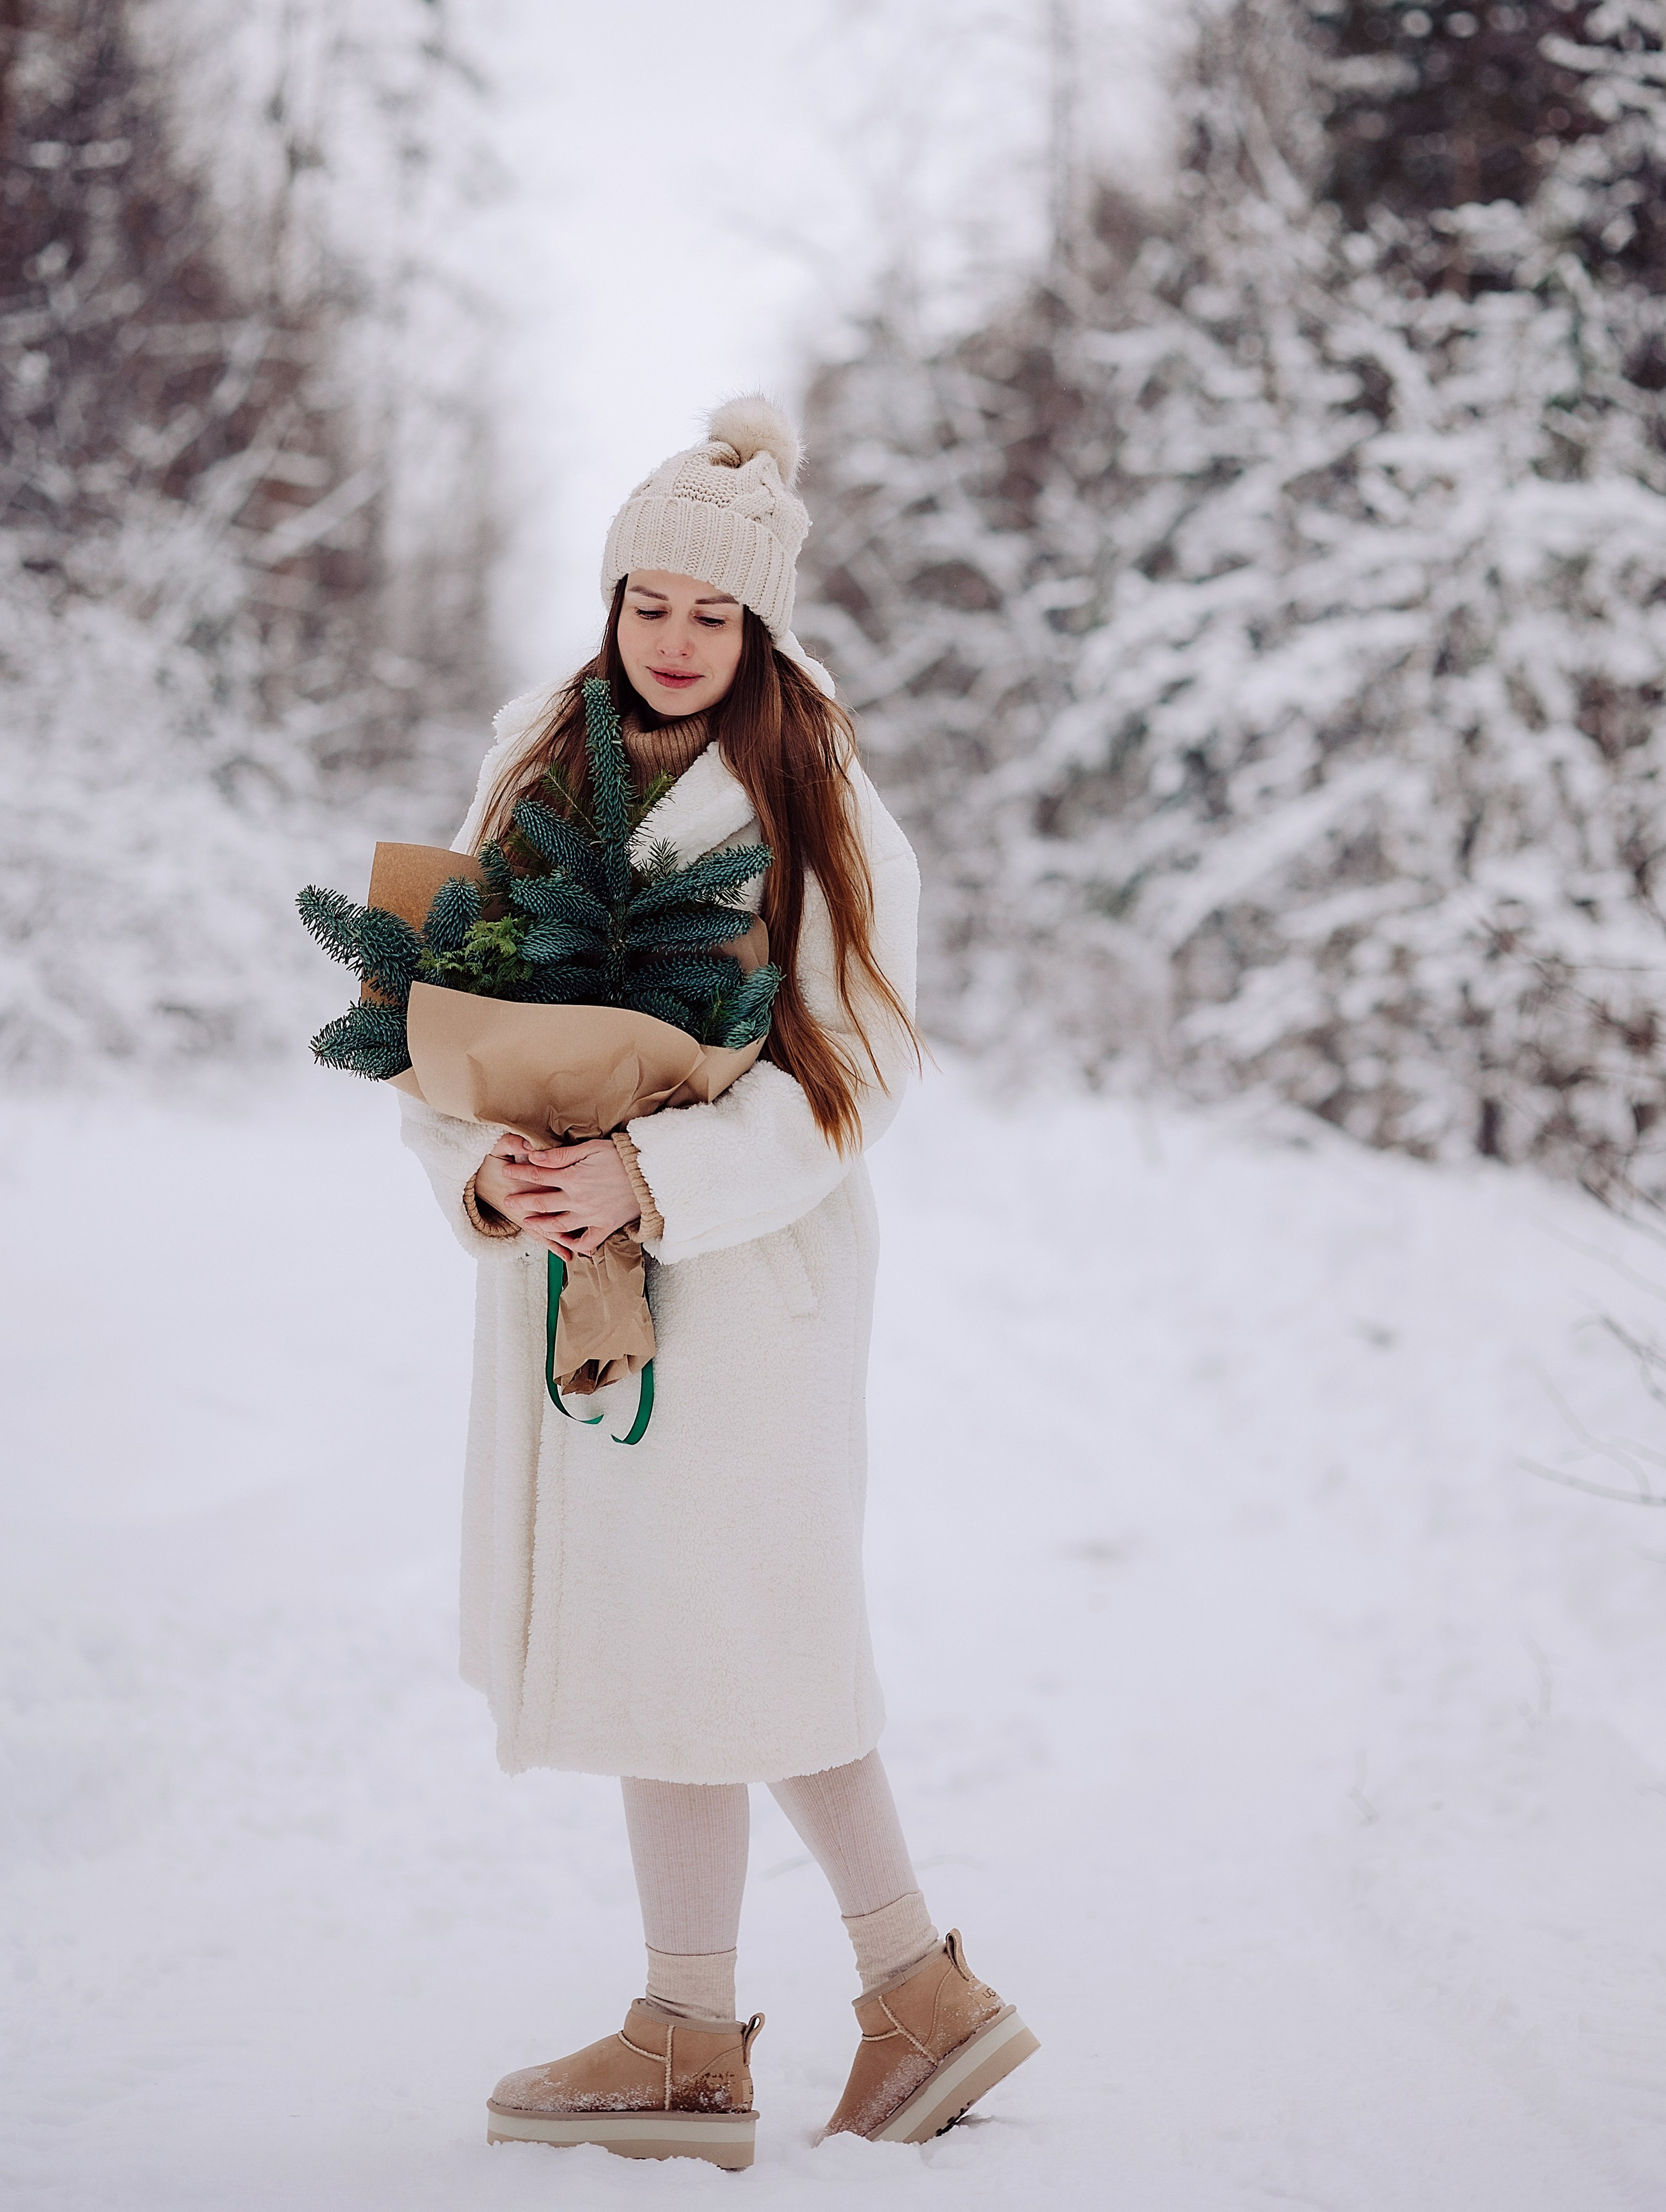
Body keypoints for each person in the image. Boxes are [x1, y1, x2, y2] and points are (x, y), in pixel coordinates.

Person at [398, 397, 1036, 2166]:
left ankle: (910, 1994)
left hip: (744, 1284)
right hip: (567, 1278)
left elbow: (859, 1059)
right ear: (610, 602)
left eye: (712, 614)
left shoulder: (816, 785)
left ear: (760, 630)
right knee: (662, 1644)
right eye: (647, 603)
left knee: (753, 1631)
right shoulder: (537, 753)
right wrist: (495, 1169)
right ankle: (711, 2027)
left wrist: (650, 1173)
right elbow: (437, 1005)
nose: (673, 640)